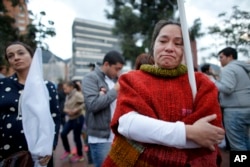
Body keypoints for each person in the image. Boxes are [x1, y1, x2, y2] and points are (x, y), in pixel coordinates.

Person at [102, 20, 225, 167]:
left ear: (186, 50)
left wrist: (150, 133)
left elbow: (210, 134)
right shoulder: (131, 79)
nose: (169, 48)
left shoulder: (201, 83)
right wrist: (188, 132)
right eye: (163, 41)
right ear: (153, 45)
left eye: (178, 43)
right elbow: (128, 124)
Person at [0, 41, 60, 166]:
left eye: (21, 53)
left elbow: (55, 117)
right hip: (6, 150)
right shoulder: (2, 85)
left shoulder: (47, 87)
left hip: (40, 152)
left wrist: (51, 146)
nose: (16, 57)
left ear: (32, 57)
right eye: (10, 56)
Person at [82, 50, 125, 167]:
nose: (118, 72)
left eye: (120, 69)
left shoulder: (116, 80)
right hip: (101, 138)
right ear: (106, 64)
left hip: (118, 136)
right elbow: (93, 105)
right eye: (116, 68)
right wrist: (115, 91)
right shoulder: (90, 78)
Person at [215, 47, 250, 151]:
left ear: (230, 56)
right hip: (246, 107)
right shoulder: (243, 68)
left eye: (221, 57)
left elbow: (227, 88)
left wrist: (212, 82)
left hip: (235, 111)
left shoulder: (229, 68)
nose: (220, 60)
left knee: (237, 145)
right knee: (245, 140)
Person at [60, 81, 85, 162]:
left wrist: (76, 109)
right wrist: (67, 110)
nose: (64, 90)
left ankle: (80, 155)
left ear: (71, 87)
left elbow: (86, 102)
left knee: (76, 137)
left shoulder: (77, 94)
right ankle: (67, 151)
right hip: (71, 119)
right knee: (63, 133)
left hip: (78, 118)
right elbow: (65, 107)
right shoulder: (68, 96)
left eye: (65, 88)